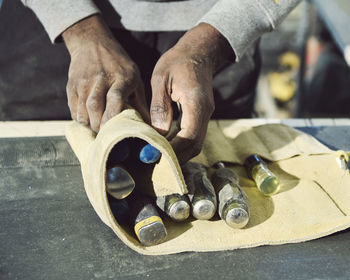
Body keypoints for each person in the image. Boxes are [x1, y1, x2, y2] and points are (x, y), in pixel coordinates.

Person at [20, 0, 301, 164]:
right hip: (58, 22)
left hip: (220, 23)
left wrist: (215, 40)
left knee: (211, 158)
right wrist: (78, 28)